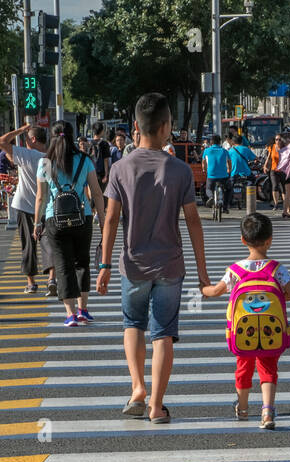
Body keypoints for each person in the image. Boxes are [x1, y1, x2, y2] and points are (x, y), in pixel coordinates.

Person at [97, 92, 211, 426]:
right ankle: (157, 407)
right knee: (163, 333)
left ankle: (137, 388)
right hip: (170, 266)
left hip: (132, 264)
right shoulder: (180, 170)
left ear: (136, 126)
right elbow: (192, 221)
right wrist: (203, 274)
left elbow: (111, 219)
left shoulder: (120, 168)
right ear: (165, 128)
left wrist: (104, 265)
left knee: (132, 323)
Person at [200, 213, 290, 429]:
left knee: (243, 367)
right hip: (271, 331)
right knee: (268, 369)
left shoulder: (235, 270)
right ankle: (267, 411)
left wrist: (203, 288)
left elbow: (216, 291)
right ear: (270, 240)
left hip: (243, 332)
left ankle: (243, 408)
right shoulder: (276, 269)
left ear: (243, 240)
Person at [34, 120, 105, 327]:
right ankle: (83, 310)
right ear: (72, 137)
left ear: (52, 138)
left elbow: (41, 197)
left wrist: (37, 224)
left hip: (54, 220)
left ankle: (70, 314)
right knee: (82, 263)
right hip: (82, 218)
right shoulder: (85, 160)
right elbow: (97, 193)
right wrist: (101, 219)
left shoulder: (45, 163)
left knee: (63, 265)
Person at [0, 123, 51, 294]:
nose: (24, 141)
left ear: (33, 139)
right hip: (46, 206)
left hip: (25, 205)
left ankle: (31, 283)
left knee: (28, 244)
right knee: (49, 244)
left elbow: (0, 141)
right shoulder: (49, 156)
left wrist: (20, 130)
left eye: (26, 138)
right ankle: (52, 280)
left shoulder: (27, 154)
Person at [202, 134, 232, 211]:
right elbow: (229, 162)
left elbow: (204, 162)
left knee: (208, 189)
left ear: (211, 142)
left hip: (211, 175)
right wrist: (229, 171)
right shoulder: (225, 151)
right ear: (220, 142)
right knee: (228, 189)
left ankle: (211, 197)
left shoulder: (207, 150)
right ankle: (225, 207)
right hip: (223, 176)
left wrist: (204, 169)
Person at [90, 121, 113, 190]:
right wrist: (106, 175)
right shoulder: (104, 144)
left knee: (92, 195)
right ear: (102, 131)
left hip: (91, 173)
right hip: (101, 174)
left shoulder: (89, 144)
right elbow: (106, 160)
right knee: (102, 195)